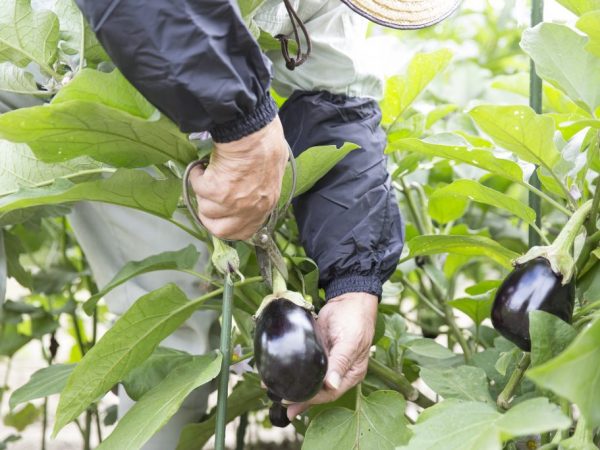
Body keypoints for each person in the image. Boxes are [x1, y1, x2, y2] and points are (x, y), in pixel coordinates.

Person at [65, 0, 460, 447]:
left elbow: (337, 105)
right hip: (48, 65)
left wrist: (355, 281)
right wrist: (242, 122)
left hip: (144, 107)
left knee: (178, 338)